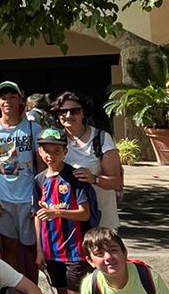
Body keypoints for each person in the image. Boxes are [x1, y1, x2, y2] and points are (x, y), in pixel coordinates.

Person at [0, 80, 38, 278]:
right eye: (3, 97)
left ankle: (32, 288)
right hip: (2, 198)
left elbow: (42, 166)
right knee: (9, 246)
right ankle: (14, 287)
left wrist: (40, 197)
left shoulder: (33, 129)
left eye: (12, 96)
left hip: (28, 198)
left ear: (20, 99)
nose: (8, 101)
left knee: (30, 248)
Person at [32, 127, 91, 294]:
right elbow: (37, 215)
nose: (51, 155)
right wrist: (39, 250)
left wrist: (57, 212)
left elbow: (85, 213)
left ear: (65, 152)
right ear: (40, 152)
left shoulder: (75, 177)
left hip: (75, 251)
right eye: (46, 150)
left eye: (56, 151)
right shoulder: (39, 180)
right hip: (51, 252)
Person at [53, 91, 124, 230]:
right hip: (66, 219)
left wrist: (94, 179)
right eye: (63, 112)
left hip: (101, 220)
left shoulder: (101, 139)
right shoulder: (54, 140)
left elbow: (116, 182)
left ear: (83, 113)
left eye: (75, 111)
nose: (68, 115)